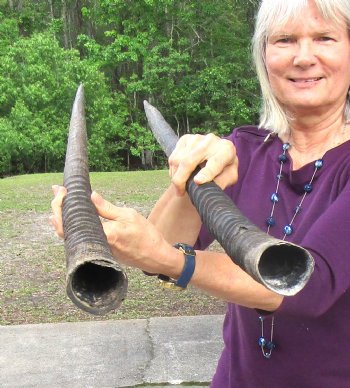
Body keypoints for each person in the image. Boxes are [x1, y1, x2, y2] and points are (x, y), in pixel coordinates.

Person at [51, 0, 350, 386]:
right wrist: (188, 179)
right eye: (285, 40)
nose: (304, 57)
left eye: (324, 38)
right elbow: (162, 246)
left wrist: (175, 262)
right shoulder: (244, 148)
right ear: (264, 56)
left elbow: (310, 287)